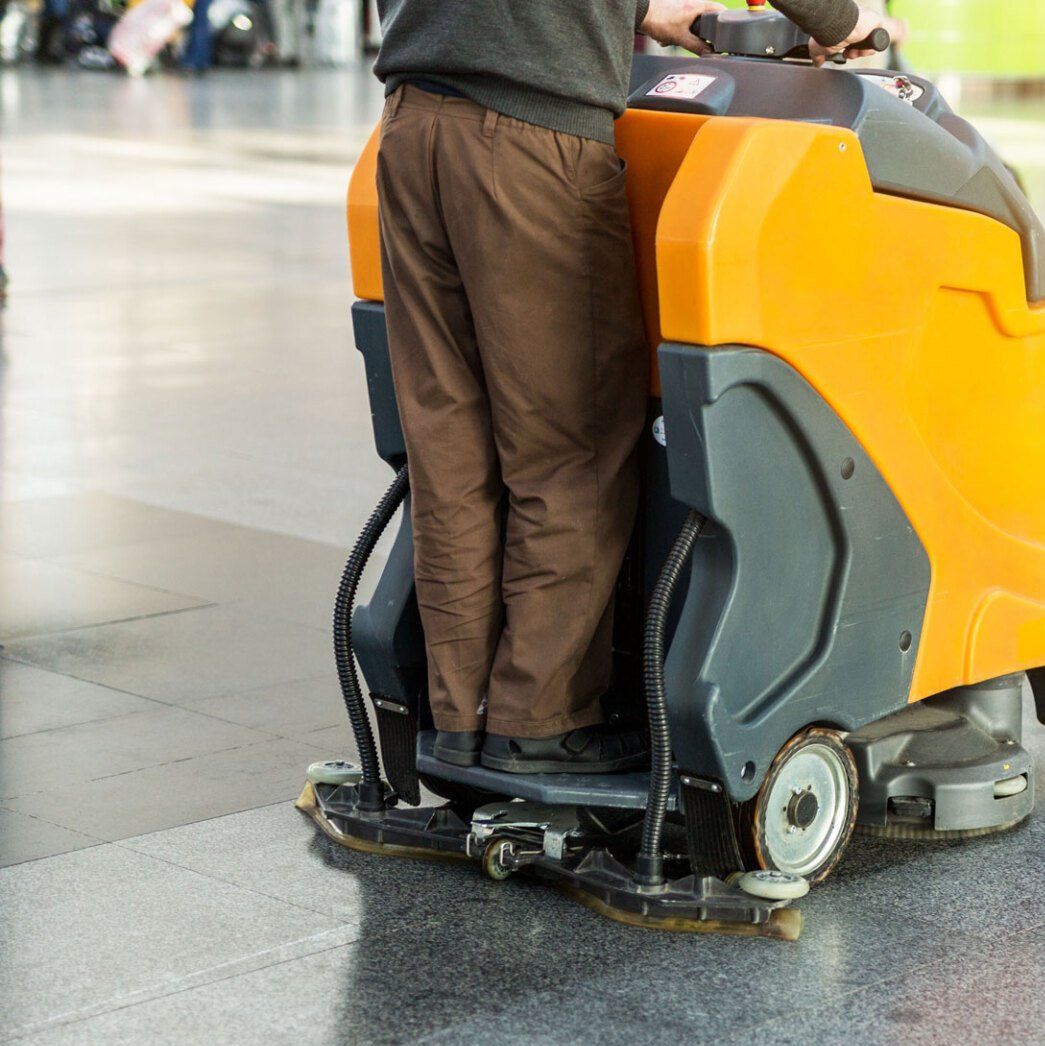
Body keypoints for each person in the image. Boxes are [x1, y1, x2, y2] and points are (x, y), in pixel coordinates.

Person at [372, 0, 892, 774]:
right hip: (531, 139)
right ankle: (536, 724)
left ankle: (459, 718)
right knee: (568, 452)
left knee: (450, 452)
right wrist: (839, 23)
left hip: (411, 127)